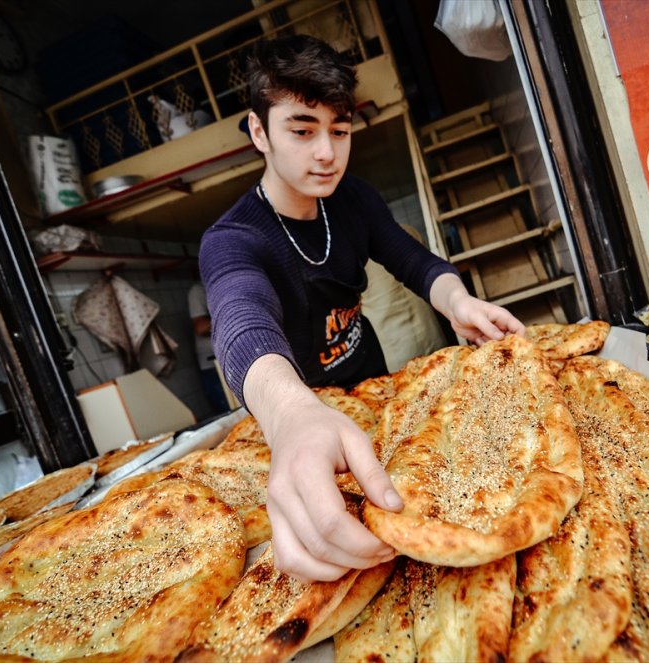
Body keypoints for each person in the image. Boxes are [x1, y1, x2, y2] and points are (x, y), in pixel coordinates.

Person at [199, 34, 524, 582]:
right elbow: (242, 323)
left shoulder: (354, 200)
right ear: (260, 132)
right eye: (302, 131)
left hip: (371, 383)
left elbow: (416, 263)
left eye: (340, 131)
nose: (327, 152)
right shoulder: (232, 239)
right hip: (295, 421)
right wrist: (293, 416)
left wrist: (458, 302)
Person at [187, 281, 230, 415]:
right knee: (228, 411)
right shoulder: (198, 290)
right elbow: (200, 327)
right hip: (212, 366)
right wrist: (230, 314)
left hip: (229, 361)